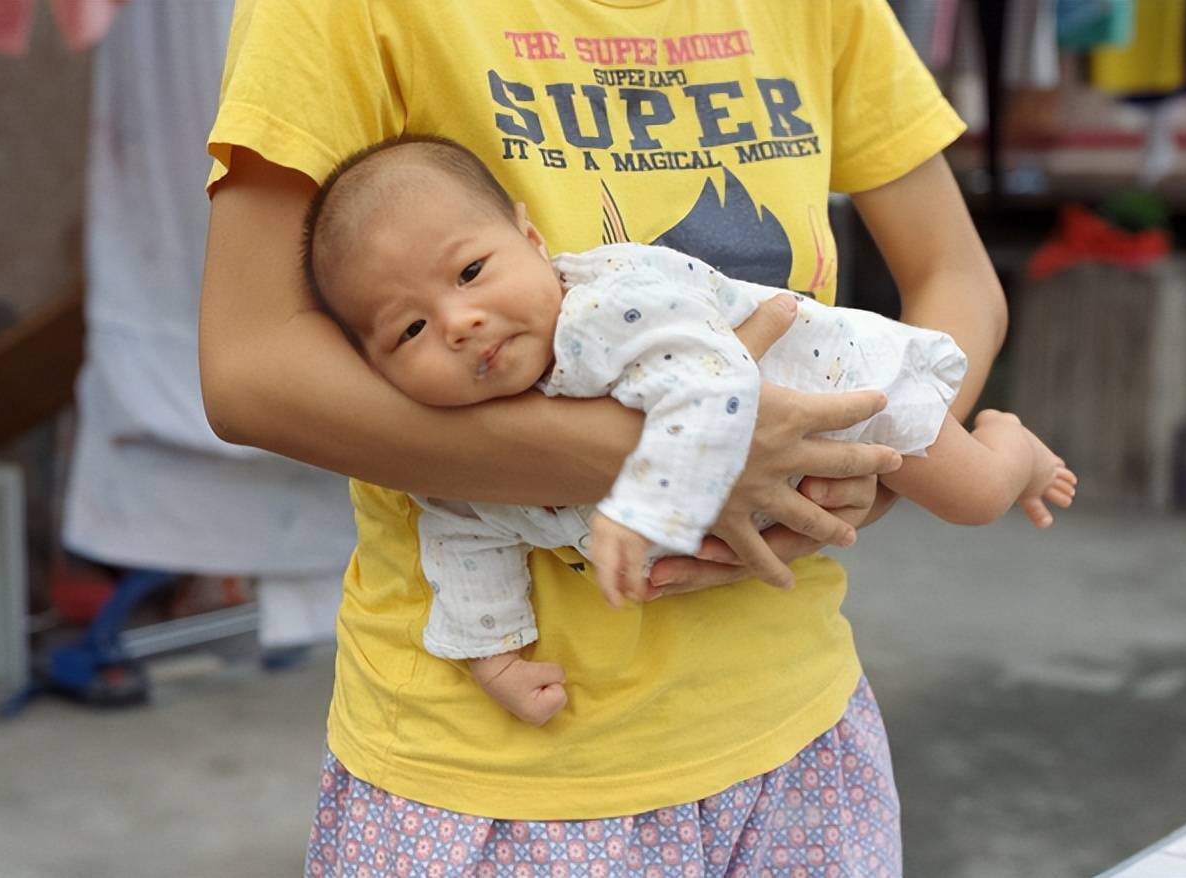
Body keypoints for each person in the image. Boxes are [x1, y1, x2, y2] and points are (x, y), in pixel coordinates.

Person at [200, 1, 1014, 874]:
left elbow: (954, 276)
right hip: (501, 774)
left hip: (797, 736)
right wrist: (683, 453)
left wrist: (865, 471)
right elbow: (252, 371)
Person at [300, 136, 1077, 726]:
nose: (461, 323)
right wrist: (494, 656)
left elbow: (713, 388)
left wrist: (643, 509)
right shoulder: (453, 452)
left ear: (531, 241)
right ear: (371, 367)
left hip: (844, 386)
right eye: (408, 330)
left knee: (974, 496)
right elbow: (461, 539)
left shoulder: (610, 307)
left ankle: (1014, 443)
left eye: (470, 272)